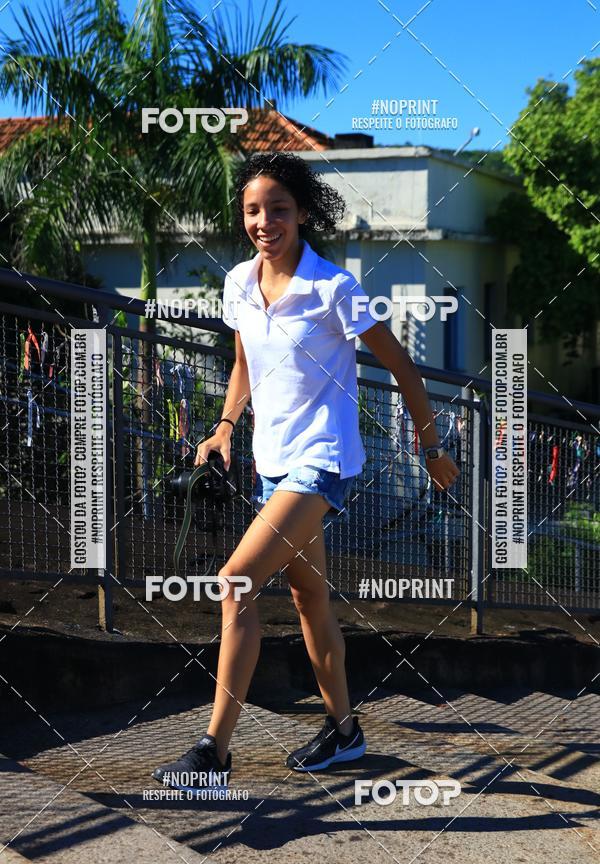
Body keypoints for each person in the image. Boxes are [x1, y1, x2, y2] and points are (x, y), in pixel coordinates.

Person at [152, 152, 459, 786]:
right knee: (309, 597)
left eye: (279, 209)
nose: (265, 221)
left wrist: (431, 449)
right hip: (273, 462)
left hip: (322, 461)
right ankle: (345, 732)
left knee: (236, 581)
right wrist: (225, 427)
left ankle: (214, 751)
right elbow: (243, 366)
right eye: (252, 211)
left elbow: (404, 369)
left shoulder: (334, 289)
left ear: (303, 213)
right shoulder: (238, 281)